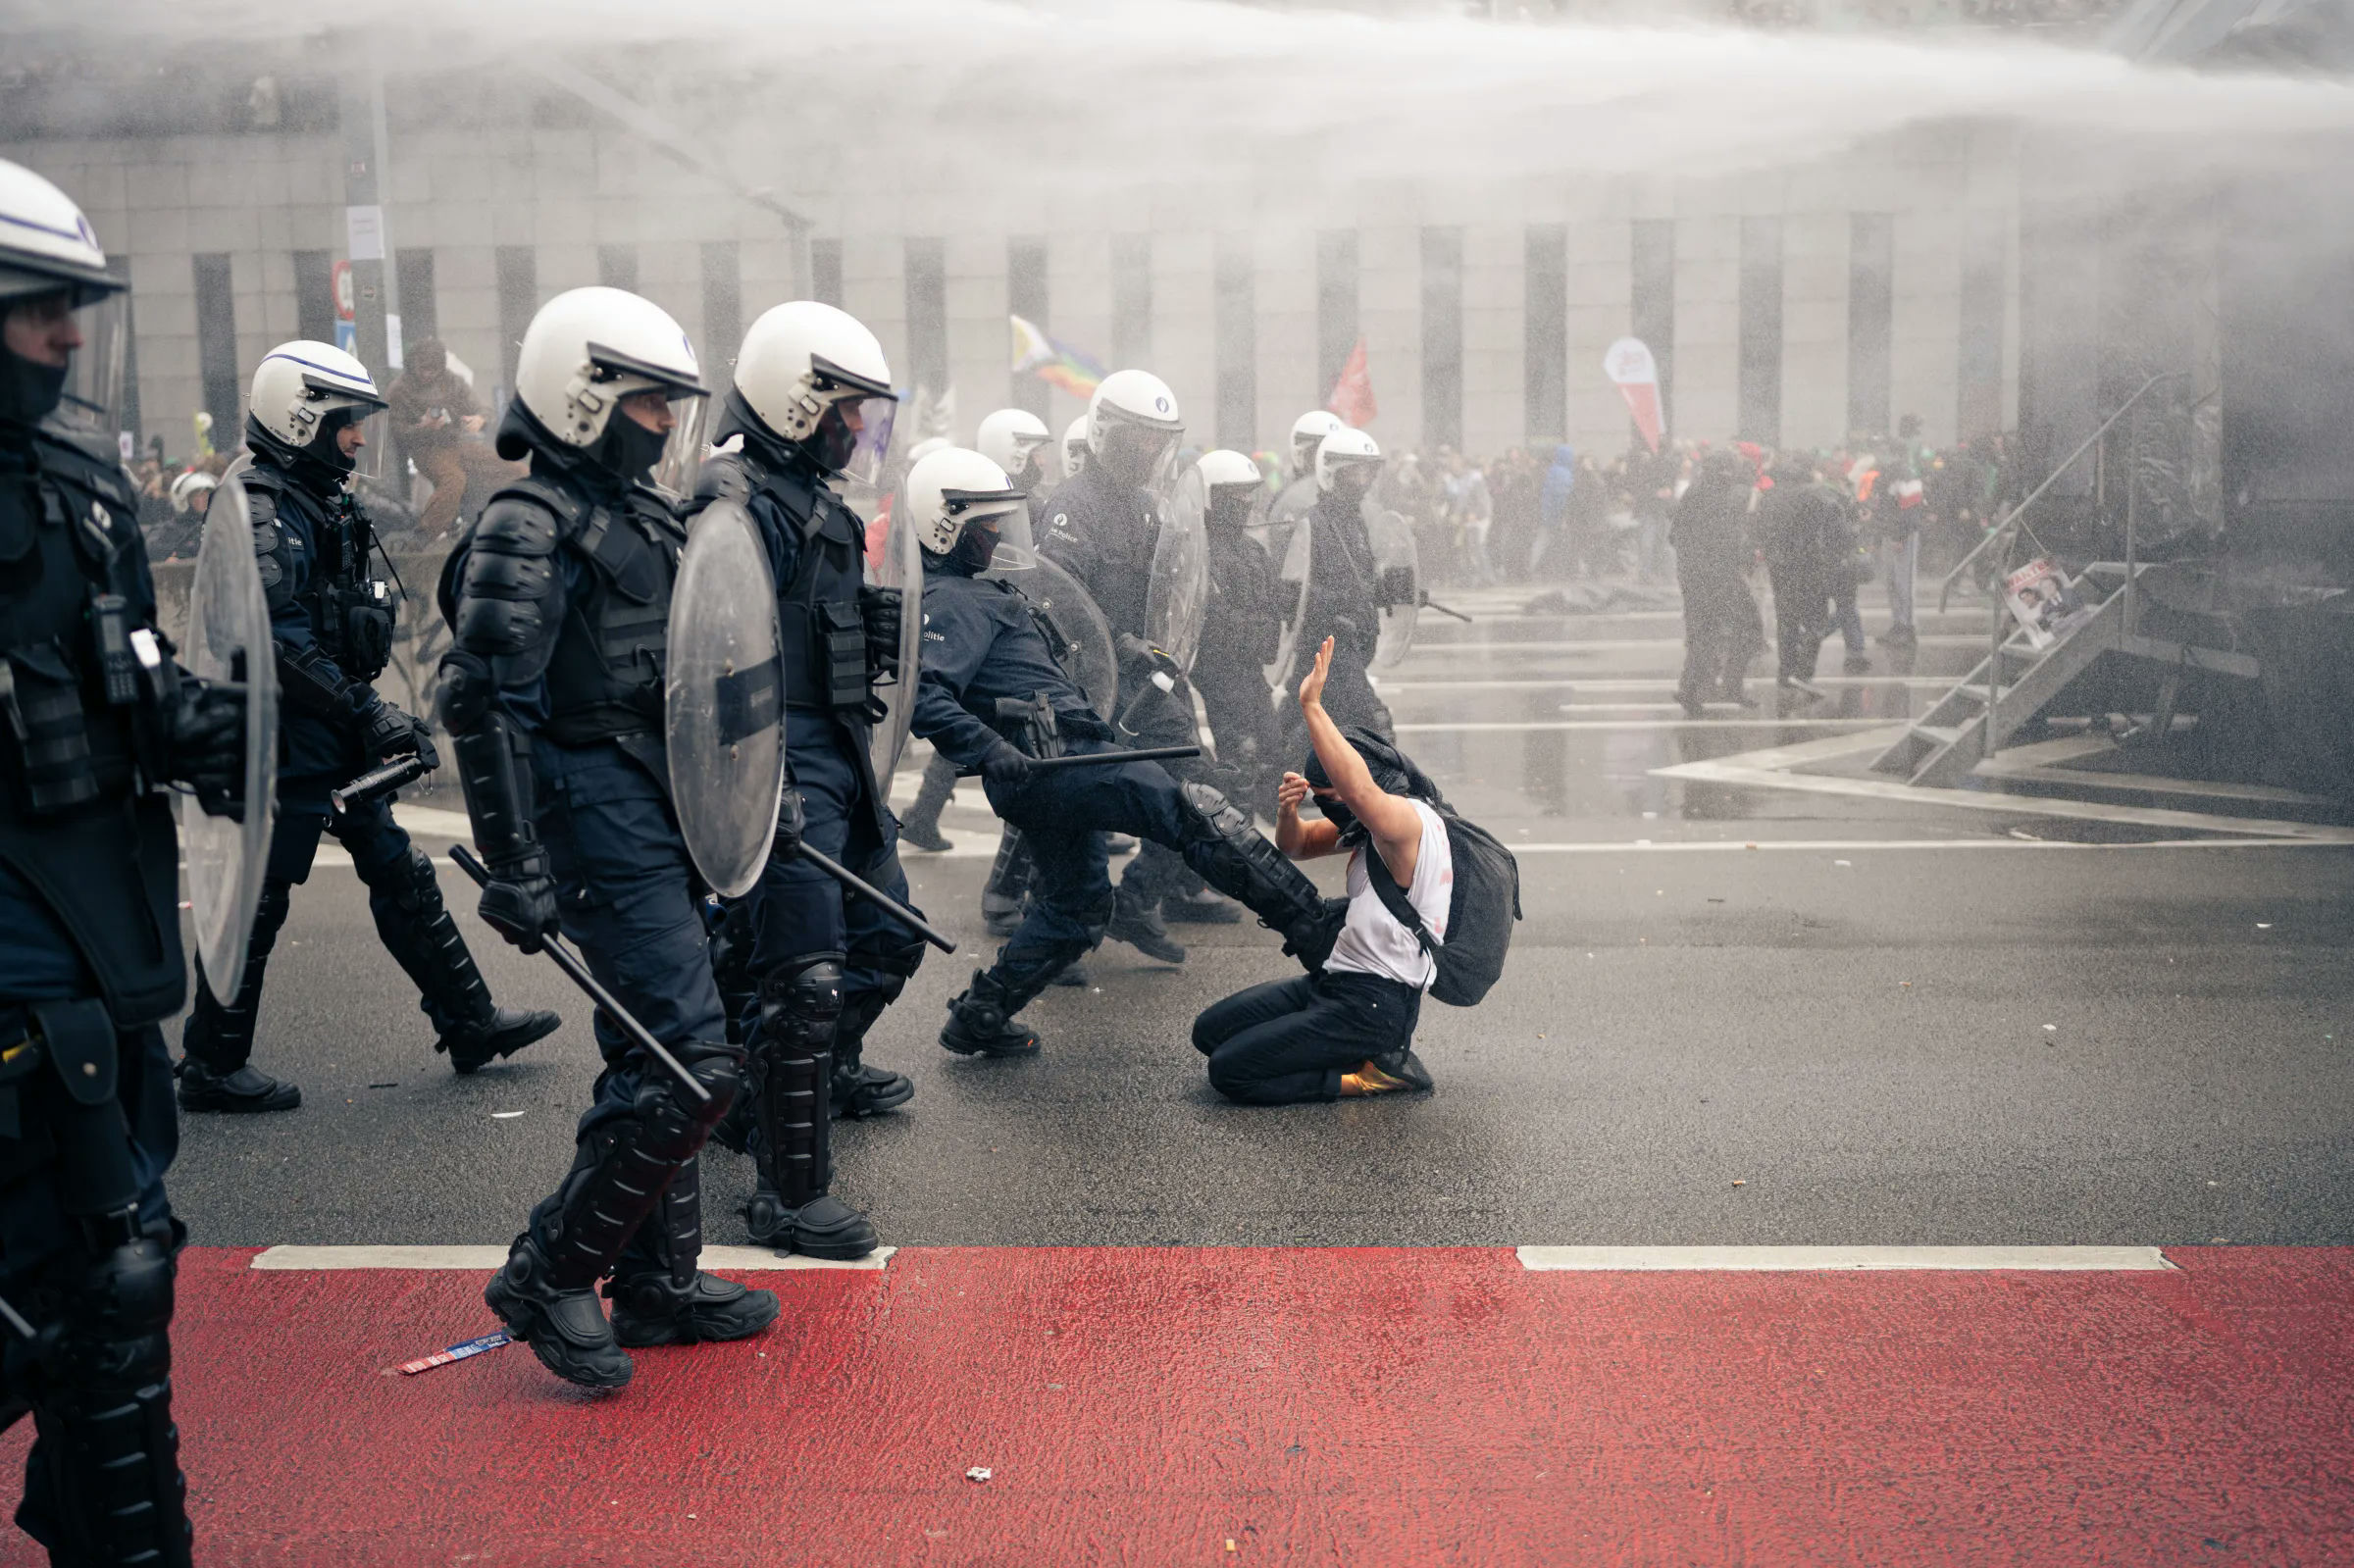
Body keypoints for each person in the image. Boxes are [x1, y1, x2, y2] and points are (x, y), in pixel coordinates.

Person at [436, 285, 776, 1390]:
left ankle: (657, 1285)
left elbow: (699, 674)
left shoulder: (652, 516)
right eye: (646, 404)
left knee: (658, 1052)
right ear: (582, 401)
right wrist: (517, 863)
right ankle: (551, 1269)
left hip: (661, 807)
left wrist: (762, 791)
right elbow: (484, 702)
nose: (665, 423)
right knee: (692, 1064)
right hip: (594, 821)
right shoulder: (523, 525)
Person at [0, 157, 251, 1566]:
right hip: (27, 969)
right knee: (95, 1276)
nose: (69, 331)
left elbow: (127, 691)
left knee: (112, 1275)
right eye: (37, 303)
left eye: (74, 302)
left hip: (102, 935)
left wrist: (253, 730)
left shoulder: (79, 480)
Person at [177, 342, 558, 1113]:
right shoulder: (257, 502)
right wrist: (368, 710)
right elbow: (273, 637)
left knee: (400, 872)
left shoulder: (322, 495)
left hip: (329, 723)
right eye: (345, 424)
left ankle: (470, 1021)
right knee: (261, 895)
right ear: (301, 417)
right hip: (281, 735)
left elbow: (391, 556)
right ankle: (211, 1062)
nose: (357, 439)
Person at [906, 447, 1342, 1059]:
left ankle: (981, 1015)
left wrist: (1125, 647)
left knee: (1076, 906)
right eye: (986, 522)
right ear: (944, 523)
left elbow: (1066, 644)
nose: (999, 532)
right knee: (1196, 811)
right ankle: (1320, 929)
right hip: (1057, 762)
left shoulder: (982, 590)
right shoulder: (950, 600)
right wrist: (984, 745)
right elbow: (922, 692)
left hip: (1058, 761)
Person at [687, 301, 916, 1259]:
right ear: (796, 403)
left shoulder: (814, 503)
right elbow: (713, 661)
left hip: (838, 761)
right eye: (846, 412)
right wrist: (757, 789)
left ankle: (778, 1084)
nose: (858, 431)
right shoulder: (732, 501)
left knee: (888, 935)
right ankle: (788, 1192)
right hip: (781, 768)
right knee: (804, 973)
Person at [1191, 636, 1439, 1105]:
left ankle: (1372, 1075)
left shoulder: (1406, 824)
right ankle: (1339, 1050)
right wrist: (1288, 812)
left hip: (1374, 1003)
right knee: (1209, 1033)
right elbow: (1297, 846)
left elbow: (1359, 791)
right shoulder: (1368, 826)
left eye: (1333, 800)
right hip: (1334, 980)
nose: (1330, 810)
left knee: (1231, 1071)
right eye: (1320, 801)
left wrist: (1311, 706)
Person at [1039, 368, 1213, 962]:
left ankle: (1137, 904)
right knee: (1075, 816)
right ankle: (1056, 939)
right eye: (1138, 439)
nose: (1148, 452)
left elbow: (1168, 584)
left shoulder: (1147, 506)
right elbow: (1057, 603)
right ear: (1106, 432)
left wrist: (1179, 626)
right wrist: (1121, 640)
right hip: (1090, 686)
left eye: (1157, 441)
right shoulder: (1070, 508)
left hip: (1152, 682)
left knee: (1199, 790)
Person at [899, 407, 1056, 855]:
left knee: (966, 731)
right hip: (984, 621)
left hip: (997, 616)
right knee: (974, 730)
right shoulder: (976, 498)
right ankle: (999, 888)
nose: (1041, 462)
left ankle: (923, 817)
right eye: (1034, 451)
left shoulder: (1004, 495)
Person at [1284, 427, 1396, 746]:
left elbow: (1360, 581)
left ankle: (1272, 774)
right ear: (1335, 473)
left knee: (1303, 716)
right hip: (1328, 640)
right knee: (1370, 723)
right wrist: (1337, 605)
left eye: (1369, 471)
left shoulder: (1356, 522)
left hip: (1353, 639)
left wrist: (1394, 590)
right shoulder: (1313, 523)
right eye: (1358, 472)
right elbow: (1293, 589)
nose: (1366, 480)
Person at [1191, 448, 1283, 815]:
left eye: (1249, 494)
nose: (1244, 503)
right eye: (1235, 496)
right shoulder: (1199, 550)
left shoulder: (1253, 551)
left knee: (1271, 749)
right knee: (1240, 753)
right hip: (1219, 668)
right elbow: (1213, 619)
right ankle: (1233, 826)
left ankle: (1261, 820)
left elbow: (1275, 604)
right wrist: (1251, 627)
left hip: (1251, 668)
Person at [387, 336, 518, 540]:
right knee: (454, 481)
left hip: (456, 443)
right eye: (422, 368)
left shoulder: (452, 382)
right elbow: (397, 432)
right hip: (427, 450)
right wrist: (423, 428)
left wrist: (479, 418)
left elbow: (483, 408)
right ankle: (424, 535)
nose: (427, 374)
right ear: (413, 364)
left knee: (512, 469)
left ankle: (509, 519)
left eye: (432, 369)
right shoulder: (400, 390)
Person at [1670, 450, 1764, 717]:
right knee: (1750, 627)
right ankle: (1730, 685)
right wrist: (1741, 557)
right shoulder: (1723, 496)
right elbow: (1729, 539)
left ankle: (1691, 688)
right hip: (1720, 574)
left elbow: (1675, 535)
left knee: (1704, 633)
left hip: (1692, 574)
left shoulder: (1694, 492)